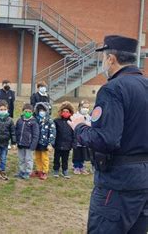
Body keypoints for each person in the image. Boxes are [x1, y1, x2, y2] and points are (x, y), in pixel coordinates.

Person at [68, 35, 148, 233]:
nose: (103, 62)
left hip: (118, 183)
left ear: (111, 58)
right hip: (143, 182)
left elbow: (106, 140)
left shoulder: (113, 89)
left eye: (104, 57)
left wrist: (80, 127)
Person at [0, 100, 15, 180]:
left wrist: (13, 142)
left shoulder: (10, 120)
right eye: (1, 109)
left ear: (7, 109)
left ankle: (2, 170)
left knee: (3, 157)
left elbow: (13, 132)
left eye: (5, 109)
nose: (3, 111)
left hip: (5, 142)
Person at [15, 103, 39, 180]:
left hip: (29, 145)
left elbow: (36, 135)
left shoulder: (34, 122)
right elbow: (16, 132)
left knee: (28, 159)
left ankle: (28, 172)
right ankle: (22, 171)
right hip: (21, 144)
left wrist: (33, 145)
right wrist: (16, 142)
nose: (27, 113)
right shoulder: (19, 121)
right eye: (26, 111)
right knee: (21, 159)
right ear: (23, 112)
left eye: (29, 111)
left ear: (32, 112)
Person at [32, 102, 56, 180]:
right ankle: (39, 170)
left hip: (45, 143)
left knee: (44, 158)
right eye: (40, 110)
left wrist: (50, 144)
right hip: (37, 143)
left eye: (44, 110)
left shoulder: (50, 121)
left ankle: (45, 171)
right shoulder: (36, 120)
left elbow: (52, 133)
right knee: (37, 157)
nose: (42, 112)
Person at [52, 101, 76, 179]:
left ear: (70, 112)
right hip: (58, 143)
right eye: (64, 111)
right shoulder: (56, 121)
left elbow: (74, 134)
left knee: (65, 159)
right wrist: (53, 142)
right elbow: (53, 132)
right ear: (61, 112)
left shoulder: (72, 122)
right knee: (56, 158)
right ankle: (56, 169)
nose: (65, 113)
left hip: (67, 144)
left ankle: (65, 170)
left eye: (67, 111)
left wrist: (73, 143)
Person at [72, 99, 92, 175]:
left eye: (87, 108)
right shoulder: (76, 116)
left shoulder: (89, 117)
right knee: (77, 154)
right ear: (80, 107)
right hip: (77, 139)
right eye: (84, 107)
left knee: (83, 153)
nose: (85, 109)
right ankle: (76, 166)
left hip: (85, 139)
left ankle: (82, 166)